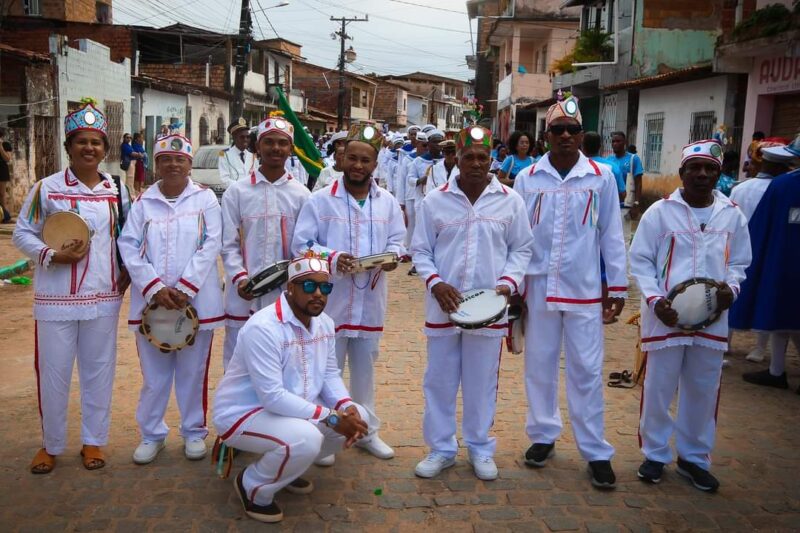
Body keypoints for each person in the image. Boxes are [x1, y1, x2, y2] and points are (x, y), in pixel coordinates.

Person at [514, 96, 627, 489]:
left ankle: (595, 450)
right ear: (546, 136)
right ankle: (543, 434)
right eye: (558, 130)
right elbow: (517, 238)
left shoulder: (601, 177)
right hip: (538, 287)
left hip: (584, 289)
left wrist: (617, 285)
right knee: (539, 365)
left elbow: (611, 234)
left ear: (582, 136)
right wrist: (514, 287)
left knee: (586, 370)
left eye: (572, 130)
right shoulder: (528, 178)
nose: (565, 136)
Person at [13, 101, 132, 474]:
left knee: (99, 371)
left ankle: (93, 440)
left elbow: (129, 237)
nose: (89, 148)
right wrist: (51, 255)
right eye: (81, 141)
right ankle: (50, 445)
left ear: (105, 149)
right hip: (56, 298)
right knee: (54, 372)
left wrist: (128, 272)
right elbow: (22, 233)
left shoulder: (117, 190)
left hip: (104, 296)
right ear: (68, 146)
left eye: (96, 142)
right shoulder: (46, 189)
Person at [411, 125, 533, 481]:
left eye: (483, 157)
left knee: (482, 382)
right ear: (457, 159)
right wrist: (435, 283)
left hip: (489, 309)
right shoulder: (435, 201)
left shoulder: (510, 200)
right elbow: (420, 250)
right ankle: (441, 449)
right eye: (469, 157)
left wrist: (508, 283)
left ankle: (480, 448)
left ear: (491, 159)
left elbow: (522, 248)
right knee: (439, 381)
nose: (477, 163)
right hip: (443, 308)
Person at [630, 140, 751, 492]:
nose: (702, 174)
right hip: (665, 317)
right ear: (681, 173)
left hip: (712, 319)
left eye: (710, 168)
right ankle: (655, 453)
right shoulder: (660, 212)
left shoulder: (732, 214)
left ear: (719, 174)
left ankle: (694, 458)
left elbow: (740, 263)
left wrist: (732, 290)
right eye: (694, 168)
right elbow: (640, 260)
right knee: (658, 387)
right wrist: (656, 300)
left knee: (704, 388)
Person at [213, 252, 369, 523]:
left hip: (290, 408)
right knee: (306, 438)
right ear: (290, 288)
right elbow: (272, 397)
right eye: (309, 285)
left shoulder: (324, 323)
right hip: (243, 413)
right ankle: (253, 486)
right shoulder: (264, 327)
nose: (318, 293)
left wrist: (345, 406)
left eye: (325, 287)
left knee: (360, 417)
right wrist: (332, 417)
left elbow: (330, 374)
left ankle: (286, 470)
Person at [292, 124, 406, 464]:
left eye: (365, 160)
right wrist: (334, 258)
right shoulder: (320, 199)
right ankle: (325, 435)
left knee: (364, 372)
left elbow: (398, 241)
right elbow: (302, 243)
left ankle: (367, 432)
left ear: (375, 164)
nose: (358, 165)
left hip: (370, 300)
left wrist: (392, 257)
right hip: (331, 301)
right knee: (325, 370)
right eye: (352, 158)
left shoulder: (387, 202)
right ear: (341, 159)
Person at [118, 133, 224, 465]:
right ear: (156, 164)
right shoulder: (143, 202)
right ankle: (152, 434)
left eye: (180, 159)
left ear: (189, 164)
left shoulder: (205, 199)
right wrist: (154, 288)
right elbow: (128, 245)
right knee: (154, 377)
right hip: (152, 305)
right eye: (166, 159)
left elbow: (211, 243)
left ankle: (194, 432)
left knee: (193, 373)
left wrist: (184, 287)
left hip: (195, 303)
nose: (173, 165)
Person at [220, 115, 311, 371]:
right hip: (243, 293)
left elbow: (305, 246)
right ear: (257, 147)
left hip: (285, 295)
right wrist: (240, 279)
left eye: (282, 143)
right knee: (237, 364)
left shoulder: (302, 195)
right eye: (268, 142)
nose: (275, 148)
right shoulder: (237, 192)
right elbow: (228, 243)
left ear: (290, 148)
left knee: (284, 362)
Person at [732, 136, 800, 391]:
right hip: (784, 259)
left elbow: (761, 226)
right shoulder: (782, 184)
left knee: (781, 315)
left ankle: (776, 370)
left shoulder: (783, 186)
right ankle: (775, 370)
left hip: (783, 262)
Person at [610, 131, 644, 244]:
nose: (615, 144)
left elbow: (638, 183)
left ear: (625, 142)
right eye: (613, 141)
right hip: (610, 206)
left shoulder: (633, 159)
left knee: (624, 240)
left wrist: (636, 204)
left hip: (625, 206)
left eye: (618, 141)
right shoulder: (609, 160)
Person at [403, 131, 429, 274]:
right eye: (423, 145)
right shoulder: (412, 159)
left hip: (434, 202)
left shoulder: (441, 161)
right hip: (414, 196)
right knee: (415, 228)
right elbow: (404, 178)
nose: (425, 148)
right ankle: (413, 256)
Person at [219, 118, 254, 188]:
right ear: (234, 137)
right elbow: (224, 180)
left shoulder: (252, 156)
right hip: (234, 193)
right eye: (242, 137)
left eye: (248, 137)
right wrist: (242, 187)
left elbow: (255, 177)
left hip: (251, 193)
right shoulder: (224, 154)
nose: (245, 140)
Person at [0, 127, 13, 222]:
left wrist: (0, 146)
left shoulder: (5, 145)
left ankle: (5, 216)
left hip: (2, 170)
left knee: (1, 194)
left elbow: (7, 158)